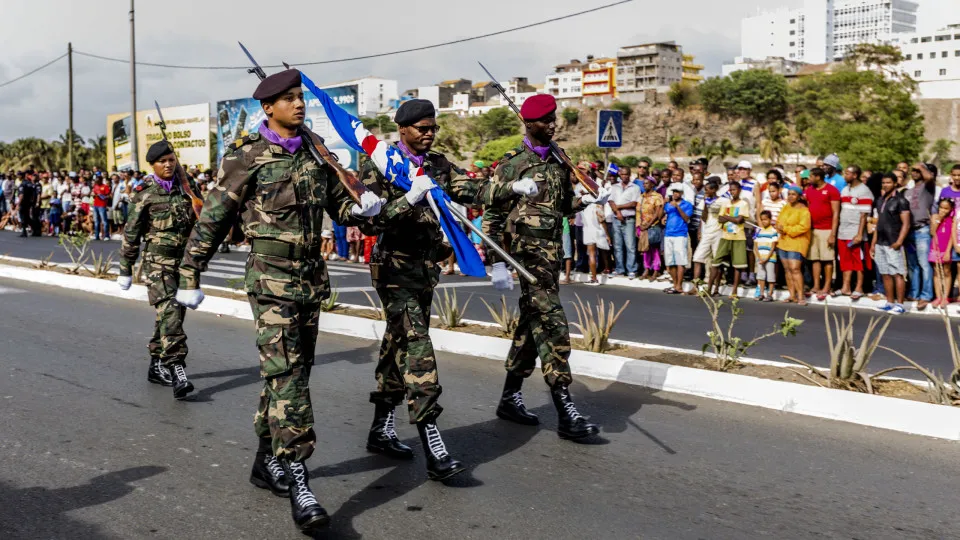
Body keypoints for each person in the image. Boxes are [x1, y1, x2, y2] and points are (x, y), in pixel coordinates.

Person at [175, 69, 384, 533]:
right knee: (288, 377)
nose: (299, 104)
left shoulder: (315, 152)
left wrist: (366, 210)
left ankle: (263, 460)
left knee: (290, 374)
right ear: (268, 107)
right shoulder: (247, 156)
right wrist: (189, 272)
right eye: (288, 99)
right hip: (270, 282)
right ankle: (298, 476)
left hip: (310, 278)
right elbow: (212, 218)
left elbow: (339, 205)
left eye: (300, 97)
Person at [357, 98, 481, 481]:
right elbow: (370, 224)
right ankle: (433, 441)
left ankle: (381, 429)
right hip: (394, 268)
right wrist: (408, 199)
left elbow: (471, 189)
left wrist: (518, 188)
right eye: (421, 129)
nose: (428, 134)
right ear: (403, 130)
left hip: (425, 269)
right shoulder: (379, 164)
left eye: (433, 129)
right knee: (418, 348)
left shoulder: (439, 165)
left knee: (397, 345)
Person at [480, 93, 608, 441]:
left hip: (551, 256)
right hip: (526, 259)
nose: (552, 125)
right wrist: (498, 264)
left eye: (554, 120)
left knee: (530, 327)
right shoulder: (512, 164)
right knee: (552, 324)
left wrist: (588, 200)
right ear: (529, 123)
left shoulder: (558, 161)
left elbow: (563, 206)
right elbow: (490, 216)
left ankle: (509, 397)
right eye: (545, 121)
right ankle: (565, 409)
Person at [117, 140, 199, 400]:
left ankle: (156, 365)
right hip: (157, 265)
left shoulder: (186, 187)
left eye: (171, 160)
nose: (168, 165)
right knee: (171, 312)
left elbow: (201, 216)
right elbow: (131, 233)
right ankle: (177, 369)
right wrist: (125, 268)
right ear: (152, 165)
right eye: (162, 161)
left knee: (171, 316)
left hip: (183, 264)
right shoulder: (144, 192)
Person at [871, 173, 911, 314]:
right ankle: (889, 302)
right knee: (885, 273)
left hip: (893, 242)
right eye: (883, 183)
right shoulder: (880, 200)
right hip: (880, 242)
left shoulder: (901, 201)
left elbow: (906, 224)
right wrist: (873, 243)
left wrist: (899, 241)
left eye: (888, 182)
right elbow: (878, 223)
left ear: (895, 183)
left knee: (897, 273)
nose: (885, 185)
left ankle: (900, 305)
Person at [836, 165, 874, 299]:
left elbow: (864, 215)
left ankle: (859, 287)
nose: (845, 176)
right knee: (845, 260)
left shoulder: (864, 191)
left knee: (858, 261)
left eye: (847, 173)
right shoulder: (845, 190)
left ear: (855, 175)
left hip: (855, 231)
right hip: (843, 231)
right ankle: (845, 287)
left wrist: (859, 234)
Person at [707, 181, 750, 298]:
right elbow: (720, 219)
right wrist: (730, 218)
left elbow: (739, 220)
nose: (732, 192)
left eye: (734, 190)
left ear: (739, 190)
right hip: (725, 236)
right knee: (716, 263)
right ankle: (709, 288)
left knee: (737, 266)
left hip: (738, 237)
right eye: (730, 190)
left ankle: (734, 292)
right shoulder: (726, 203)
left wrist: (726, 217)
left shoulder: (743, 204)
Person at [904, 163, 937, 310]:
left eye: (919, 171)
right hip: (909, 231)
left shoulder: (928, 187)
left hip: (922, 230)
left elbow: (930, 177)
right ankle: (914, 293)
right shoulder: (907, 192)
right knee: (912, 266)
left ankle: (926, 295)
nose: (916, 173)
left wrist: (922, 167)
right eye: (914, 171)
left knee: (924, 264)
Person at [804, 167, 840, 301]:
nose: (809, 179)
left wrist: (833, 233)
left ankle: (827, 286)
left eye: (811, 177)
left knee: (827, 259)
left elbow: (836, 212)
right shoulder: (809, 190)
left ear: (818, 177)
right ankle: (816, 285)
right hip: (813, 229)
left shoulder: (832, 190)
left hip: (827, 229)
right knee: (815, 259)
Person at [777, 186, 811, 304]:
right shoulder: (786, 207)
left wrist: (785, 228)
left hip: (797, 242)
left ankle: (801, 296)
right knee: (787, 269)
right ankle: (792, 295)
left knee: (795, 269)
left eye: (793, 194)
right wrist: (780, 228)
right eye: (789, 194)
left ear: (799, 196)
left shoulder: (804, 210)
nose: (790, 196)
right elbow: (779, 221)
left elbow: (803, 227)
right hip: (783, 241)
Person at [689, 178, 722, 294]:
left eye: (708, 190)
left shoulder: (722, 201)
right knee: (697, 258)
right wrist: (706, 204)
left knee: (716, 262)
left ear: (715, 190)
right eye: (705, 190)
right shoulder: (705, 201)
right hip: (707, 233)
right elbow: (704, 218)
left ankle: (715, 288)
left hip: (718, 233)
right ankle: (695, 286)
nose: (706, 192)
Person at [607, 165, 641, 278]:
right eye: (622, 174)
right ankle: (619, 269)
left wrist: (619, 207)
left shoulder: (635, 187)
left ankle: (632, 269)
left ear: (630, 175)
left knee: (630, 246)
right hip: (616, 219)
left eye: (626, 174)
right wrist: (618, 213)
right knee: (617, 246)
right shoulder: (614, 187)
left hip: (629, 220)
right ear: (619, 175)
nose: (624, 176)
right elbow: (611, 201)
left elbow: (634, 203)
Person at [663, 185, 692, 294]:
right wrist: (663, 204)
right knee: (670, 263)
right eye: (674, 192)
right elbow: (661, 214)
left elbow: (686, 218)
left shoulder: (687, 204)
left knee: (680, 262)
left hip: (680, 235)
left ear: (681, 193)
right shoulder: (668, 204)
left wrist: (678, 207)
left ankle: (679, 285)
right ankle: (675, 285)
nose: (675, 194)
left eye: (678, 192)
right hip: (668, 234)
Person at [637, 177, 664, 281]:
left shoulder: (657, 197)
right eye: (644, 184)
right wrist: (639, 226)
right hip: (643, 226)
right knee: (645, 250)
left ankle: (656, 270)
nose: (644, 185)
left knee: (654, 249)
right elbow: (638, 212)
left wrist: (648, 224)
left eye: (647, 183)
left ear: (652, 185)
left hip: (653, 226)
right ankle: (647, 269)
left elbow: (658, 213)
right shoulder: (641, 196)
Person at [930, 198, 955, 308]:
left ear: (951, 209)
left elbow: (951, 237)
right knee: (936, 272)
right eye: (941, 207)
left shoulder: (953, 219)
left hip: (946, 249)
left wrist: (948, 251)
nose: (943, 210)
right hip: (935, 248)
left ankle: (945, 297)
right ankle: (938, 296)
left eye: (946, 208)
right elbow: (932, 232)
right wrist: (939, 219)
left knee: (946, 272)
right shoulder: (935, 217)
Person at [754, 210, 779, 301]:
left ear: (770, 219)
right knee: (761, 276)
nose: (763, 221)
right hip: (760, 258)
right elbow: (756, 246)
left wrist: (766, 258)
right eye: (762, 220)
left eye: (765, 219)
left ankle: (770, 294)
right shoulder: (759, 231)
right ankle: (761, 294)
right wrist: (760, 257)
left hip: (770, 258)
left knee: (770, 276)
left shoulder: (773, 231)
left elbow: (773, 247)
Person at [17, 172, 39, 237]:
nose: (18, 176)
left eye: (19, 175)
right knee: (27, 217)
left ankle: (24, 231)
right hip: (29, 203)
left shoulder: (23, 184)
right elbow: (33, 194)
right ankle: (35, 228)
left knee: (23, 217)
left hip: (23, 203)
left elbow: (21, 195)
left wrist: (18, 204)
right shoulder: (29, 184)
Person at [92, 176, 111, 240]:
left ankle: (106, 236)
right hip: (95, 205)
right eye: (96, 181)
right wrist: (94, 195)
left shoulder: (105, 186)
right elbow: (93, 194)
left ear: (101, 180)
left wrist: (103, 197)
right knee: (96, 221)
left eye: (98, 180)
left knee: (104, 221)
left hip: (102, 205)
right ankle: (96, 236)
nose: (97, 182)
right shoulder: (95, 186)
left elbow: (108, 195)